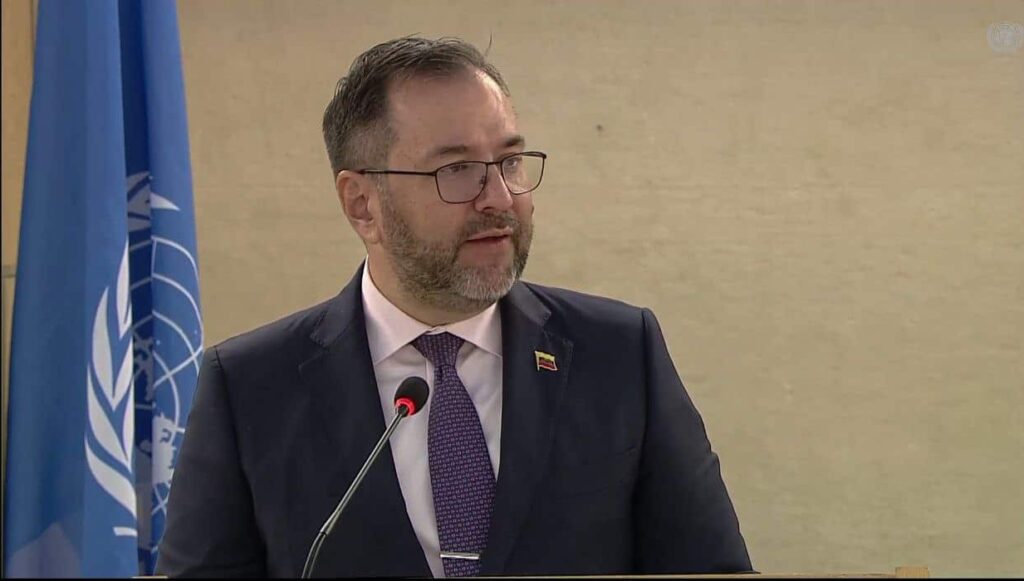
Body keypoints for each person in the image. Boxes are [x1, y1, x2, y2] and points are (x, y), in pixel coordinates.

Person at [157, 36, 752, 578]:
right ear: (362, 204)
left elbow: (710, 570)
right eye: (456, 170)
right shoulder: (250, 387)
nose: (500, 198)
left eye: (510, 161)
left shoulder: (619, 353)